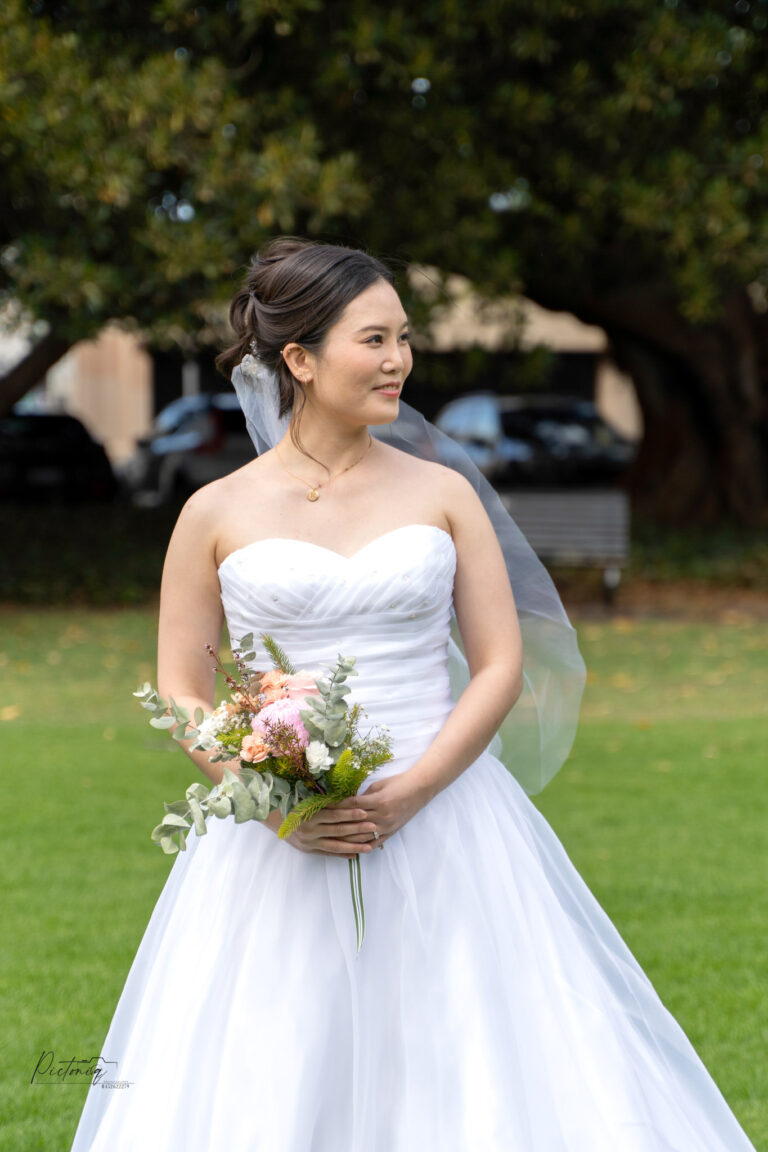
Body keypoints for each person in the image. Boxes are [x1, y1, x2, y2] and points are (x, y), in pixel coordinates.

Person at [70, 237, 757, 1151]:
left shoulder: (442, 493)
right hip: (280, 842)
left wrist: (418, 788)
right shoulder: (215, 512)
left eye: (404, 337)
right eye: (374, 339)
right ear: (300, 360)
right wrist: (272, 802)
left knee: (471, 1053)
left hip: (450, 815)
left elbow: (502, 662)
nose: (398, 360)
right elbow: (181, 683)